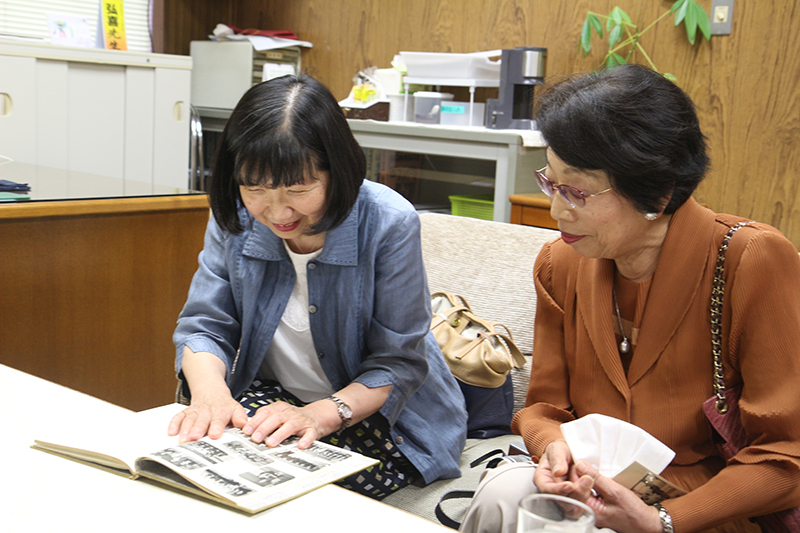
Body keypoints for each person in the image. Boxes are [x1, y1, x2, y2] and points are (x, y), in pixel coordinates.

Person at [460, 64, 800, 532]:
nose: (557, 209)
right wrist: (552, 447)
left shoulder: (749, 260)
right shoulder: (560, 263)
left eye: (576, 190)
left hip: (701, 501)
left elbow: (786, 453)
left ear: (656, 193)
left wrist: (663, 519)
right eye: (550, 182)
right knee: (504, 494)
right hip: (587, 481)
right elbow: (542, 409)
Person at [168, 74, 467, 500]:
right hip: (276, 399)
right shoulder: (235, 214)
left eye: (299, 189)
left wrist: (322, 415)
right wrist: (211, 397)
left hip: (380, 417)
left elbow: (397, 364)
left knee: (292, 494)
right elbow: (204, 326)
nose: (276, 211)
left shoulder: (387, 222)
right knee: (193, 468)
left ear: (337, 171)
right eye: (255, 188)